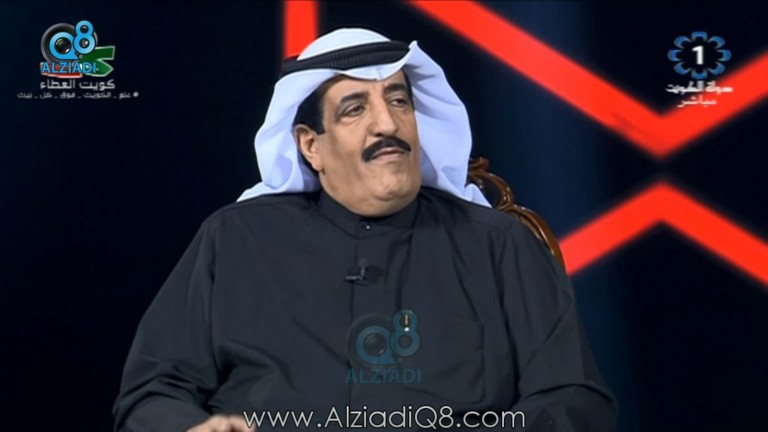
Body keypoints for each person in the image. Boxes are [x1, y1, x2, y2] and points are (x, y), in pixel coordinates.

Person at [113, 28, 617, 432]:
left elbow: (573, 397)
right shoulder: (235, 241)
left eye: (398, 101)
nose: (387, 125)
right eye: (355, 109)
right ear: (310, 145)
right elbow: (152, 391)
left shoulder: (497, 244)